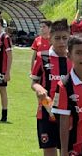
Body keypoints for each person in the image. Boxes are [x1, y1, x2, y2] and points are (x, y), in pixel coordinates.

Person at [30, 19, 72, 156]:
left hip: (69, 114)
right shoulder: (42, 57)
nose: (61, 42)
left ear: (69, 38)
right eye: (57, 38)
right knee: (49, 149)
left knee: (68, 151)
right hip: (46, 112)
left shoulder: (74, 58)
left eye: (65, 38)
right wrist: (39, 88)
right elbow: (34, 82)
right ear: (50, 38)